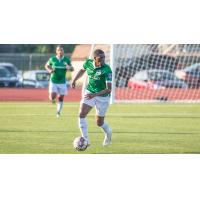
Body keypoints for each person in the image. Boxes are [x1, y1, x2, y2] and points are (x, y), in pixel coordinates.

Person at [71, 49, 112, 146]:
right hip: (90, 92)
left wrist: (94, 95)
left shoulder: (107, 69)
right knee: (81, 114)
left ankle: (109, 132)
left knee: (99, 122)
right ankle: (86, 140)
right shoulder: (88, 63)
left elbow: (109, 89)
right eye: (100, 58)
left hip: (103, 96)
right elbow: (82, 70)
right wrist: (74, 80)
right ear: (94, 58)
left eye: (104, 57)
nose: (103, 59)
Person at [45, 45, 74, 117]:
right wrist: (50, 70)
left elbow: (72, 69)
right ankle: (52, 98)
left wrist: (69, 67)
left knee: (61, 97)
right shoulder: (52, 59)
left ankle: (58, 112)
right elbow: (46, 65)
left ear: (63, 51)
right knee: (53, 96)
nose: (60, 51)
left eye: (61, 50)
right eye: (59, 50)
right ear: (56, 51)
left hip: (62, 81)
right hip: (53, 80)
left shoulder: (67, 60)